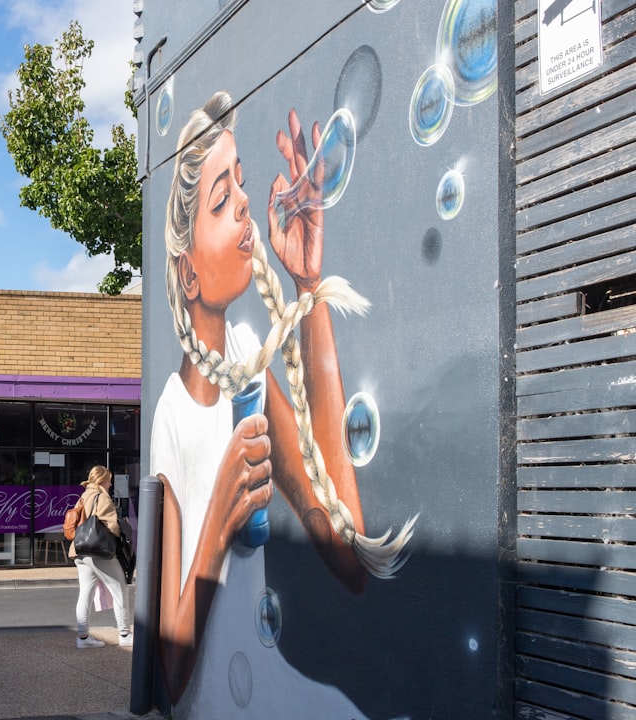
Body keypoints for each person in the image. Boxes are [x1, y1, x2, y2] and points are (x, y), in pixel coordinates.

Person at [152, 91, 414, 719]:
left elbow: (345, 552)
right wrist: (218, 517)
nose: (244, 202)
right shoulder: (172, 416)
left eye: (239, 184)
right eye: (223, 200)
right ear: (188, 274)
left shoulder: (247, 358)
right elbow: (168, 674)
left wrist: (309, 287)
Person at [69, 465, 132, 649]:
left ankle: (82, 638)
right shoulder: (102, 496)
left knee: (85, 595)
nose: (111, 483)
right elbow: (111, 526)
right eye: (108, 479)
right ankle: (125, 634)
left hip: (81, 550)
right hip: (99, 551)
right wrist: (122, 527)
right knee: (120, 589)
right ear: (101, 479)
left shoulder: (84, 495)